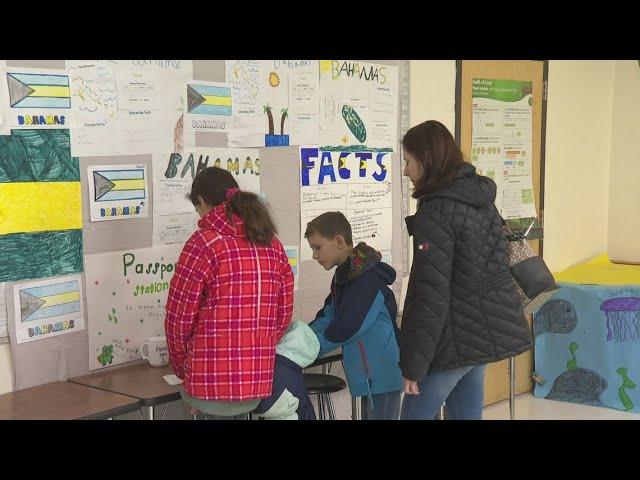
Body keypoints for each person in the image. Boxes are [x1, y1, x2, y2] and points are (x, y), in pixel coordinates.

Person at [399, 120, 532, 420]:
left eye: (408, 161)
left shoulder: (435, 212)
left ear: (426, 158)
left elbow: (429, 296)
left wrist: (414, 367)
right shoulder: (480, 199)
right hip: (480, 334)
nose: (406, 171)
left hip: (452, 341)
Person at [165, 166, 294, 419]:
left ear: (201, 201)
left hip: (208, 384)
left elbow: (178, 318)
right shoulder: (272, 244)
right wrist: (258, 350)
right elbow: (283, 315)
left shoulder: (202, 243)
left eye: (197, 208)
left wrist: (182, 367)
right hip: (256, 384)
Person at [305, 211, 402, 420]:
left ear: (339, 241)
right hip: (367, 377)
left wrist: (306, 349)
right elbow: (329, 314)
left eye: (317, 247)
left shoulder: (366, 278)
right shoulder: (344, 276)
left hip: (382, 376)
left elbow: (348, 326)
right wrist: (302, 336)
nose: (314, 256)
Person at [253, 320, 320, 420]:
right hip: (287, 409)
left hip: (263, 404)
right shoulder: (296, 371)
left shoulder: (274, 362)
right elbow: (304, 403)